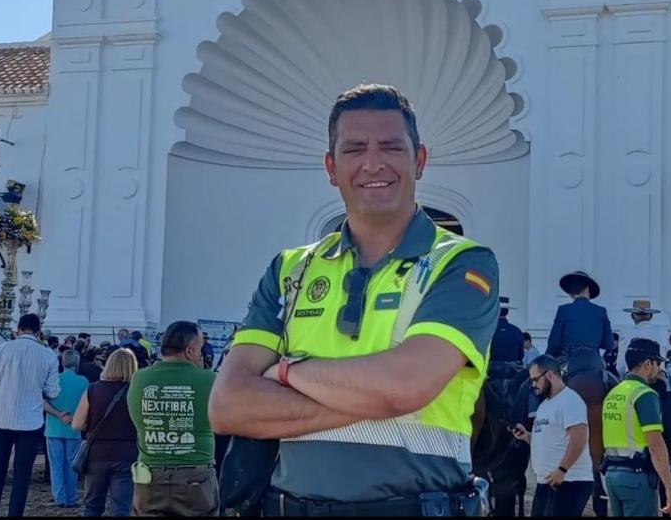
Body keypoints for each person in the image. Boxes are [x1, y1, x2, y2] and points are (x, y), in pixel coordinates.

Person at [211, 83, 499, 517]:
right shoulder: (289, 270)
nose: (372, 163)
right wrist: (376, 396)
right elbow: (228, 405)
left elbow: (406, 386)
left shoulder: (461, 263)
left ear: (419, 160)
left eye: (390, 146)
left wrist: (286, 372)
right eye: (354, 149)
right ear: (331, 167)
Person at [127, 320, 217, 516]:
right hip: (195, 475)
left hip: (150, 475)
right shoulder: (210, 381)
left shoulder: (140, 378)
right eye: (201, 349)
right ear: (190, 351)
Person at [0, 312, 61, 518]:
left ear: (18, 329)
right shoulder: (48, 355)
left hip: (1, 418)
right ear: (38, 332)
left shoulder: (1, 349)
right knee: (22, 475)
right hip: (30, 422)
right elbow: (53, 392)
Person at [601, 337, 671, 517]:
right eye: (657, 363)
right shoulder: (645, 394)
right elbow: (656, 445)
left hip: (612, 475)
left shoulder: (614, 392)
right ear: (647, 363)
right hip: (636, 478)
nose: (659, 369)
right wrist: (669, 488)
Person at [512, 355, 593, 517]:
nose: (533, 385)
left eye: (535, 379)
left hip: (569, 481)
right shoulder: (544, 405)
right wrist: (526, 436)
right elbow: (547, 440)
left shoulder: (570, 400)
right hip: (548, 481)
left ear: (549, 375)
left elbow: (579, 437)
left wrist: (562, 469)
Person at [72, 347, 139, 517]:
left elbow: (77, 424)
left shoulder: (93, 389)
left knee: (92, 507)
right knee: (121, 509)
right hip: (126, 454)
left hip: (97, 454)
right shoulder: (136, 392)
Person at [44, 348, 88, 509]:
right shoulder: (83, 381)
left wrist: (58, 414)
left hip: (54, 428)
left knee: (56, 465)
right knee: (71, 466)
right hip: (73, 428)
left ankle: (59, 497)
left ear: (62, 362)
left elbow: (44, 403)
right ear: (77, 364)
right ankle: (71, 497)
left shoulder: (55, 380)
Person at [547, 270, 613, 377]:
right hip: (595, 362)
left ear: (571, 292)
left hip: (568, 362)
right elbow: (609, 344)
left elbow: (554, 343)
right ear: (587, 289)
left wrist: (547, 360)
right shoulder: (601, 311)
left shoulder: (564, 310)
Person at [617, 300, 670, 377]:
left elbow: (621, 362)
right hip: (657, 375)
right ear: (651, 316)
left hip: (634, 375)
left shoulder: (626, 332)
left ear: (632, 316)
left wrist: (622, 377)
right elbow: (664, 355)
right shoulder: (662, 332)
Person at [490, 298, 523, 375]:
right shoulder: (516, 331)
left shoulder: (489, 330)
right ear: (507, 312)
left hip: (491, 373)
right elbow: (520, 356)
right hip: (510, 374)